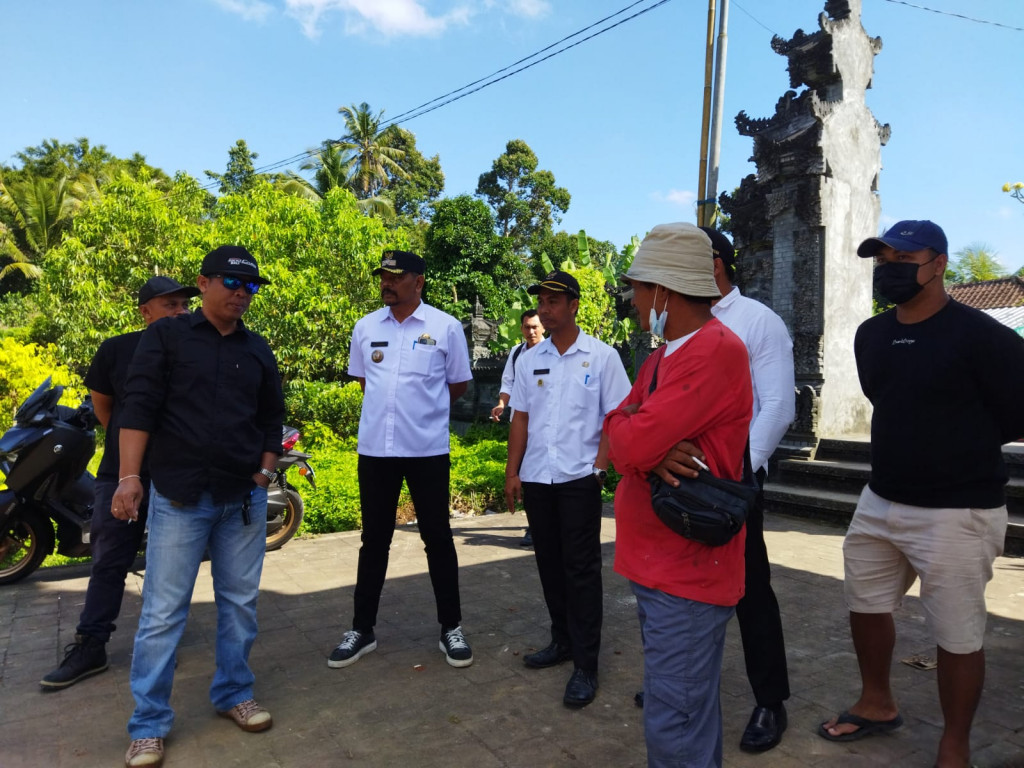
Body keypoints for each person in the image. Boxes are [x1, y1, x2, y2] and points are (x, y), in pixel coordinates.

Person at [819, 220, 1024, 768]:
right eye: (882, 259)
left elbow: (1016, 412)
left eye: (903, 259)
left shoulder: (984, 337)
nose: (889, 269)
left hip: (959, 509)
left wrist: (957, 442)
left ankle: (954, 745)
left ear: (938, 264)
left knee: (957, 633)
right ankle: (877, 702)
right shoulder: (872, 335)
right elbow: (885, 396)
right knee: (864, 604)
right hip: (881, 500)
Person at [112, 246, 285, 768]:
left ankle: (234, 693)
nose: (242, 293)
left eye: (250, 286)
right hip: (180, 498)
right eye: (232, 282)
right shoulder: (167, 337)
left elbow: (270, 418)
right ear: (204, 283)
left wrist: (264, 473)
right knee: (163, 613)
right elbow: (138, 407)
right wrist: (128, 478)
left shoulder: (258, 349)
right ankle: (148, 725)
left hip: (243, 500)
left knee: (240, 604)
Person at [604, 223, 752, 767]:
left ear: (664, 292)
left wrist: (640, 439)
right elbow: (616, 428)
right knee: (682, 709)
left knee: (676, 719)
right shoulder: (663, 356)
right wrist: (643, 441)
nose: (634, 300)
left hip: (686, 570)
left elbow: (627, 441)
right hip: (660, 564)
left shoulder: (714, 351)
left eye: (639, 289)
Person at [39, 276, 199, 691]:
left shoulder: (199, 348)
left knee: (166, 566)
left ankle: (159, 645)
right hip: (120, 473)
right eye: (170, 305)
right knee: (108, 559)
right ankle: (91, 644)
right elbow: (105, 408)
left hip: (176, 474)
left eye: (184, 305)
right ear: (145, 312)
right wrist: (131, 456)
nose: (180, 312)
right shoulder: (116, 349)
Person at [329, 249, 474, 671]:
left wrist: (423, 412)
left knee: (438, 538)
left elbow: (458, 385)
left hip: (427, 450)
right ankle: (362, 629)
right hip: (376, 451)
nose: (386, 283)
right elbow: (365, 381)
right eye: (383, 276)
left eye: (395, 276)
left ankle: (451, 627)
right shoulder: (366, 327)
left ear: (418, 281)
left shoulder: (445, 327)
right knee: (374, 540)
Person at [504, 270, 631, 708]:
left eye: (553, 301)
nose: (544, 309)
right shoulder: (528, 360)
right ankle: (561, 640)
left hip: (579, 479)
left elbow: (617, 417)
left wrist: (600, 469)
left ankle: (586, 664)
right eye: (541, 301)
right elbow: (520, 418)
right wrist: (513, 471)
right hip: (539, 477)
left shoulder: (601, 357)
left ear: (574, 305)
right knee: (549, 564)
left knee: (581, 570)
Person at [490, 309, 545, 547]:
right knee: (524, 474)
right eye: (527, 327)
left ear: (543, 327)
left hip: (544, 425)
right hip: (521, 425)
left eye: (535, 327)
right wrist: (502, 404)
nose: (531, 331)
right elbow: (508, 382)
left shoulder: (552, 352)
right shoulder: (516, 353)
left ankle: (541, 526)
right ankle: (534, 525)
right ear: (521, 328)